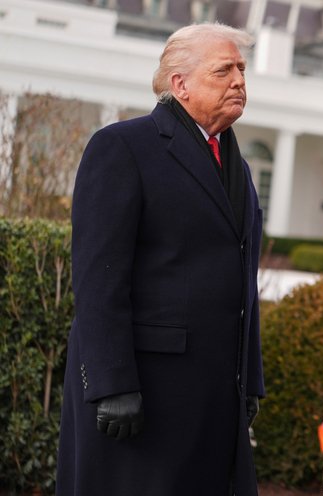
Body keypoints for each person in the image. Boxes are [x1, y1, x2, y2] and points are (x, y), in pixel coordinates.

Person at [57, 23, 265, 495]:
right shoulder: (122, 148)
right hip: (142, 396)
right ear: (180, 84)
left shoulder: (237, 165)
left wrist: (249, 379)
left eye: (242, 69)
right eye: (223, 70)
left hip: (215, 398)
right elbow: (99, 279)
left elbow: (242, 279)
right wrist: (111, 384)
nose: (238, 80)